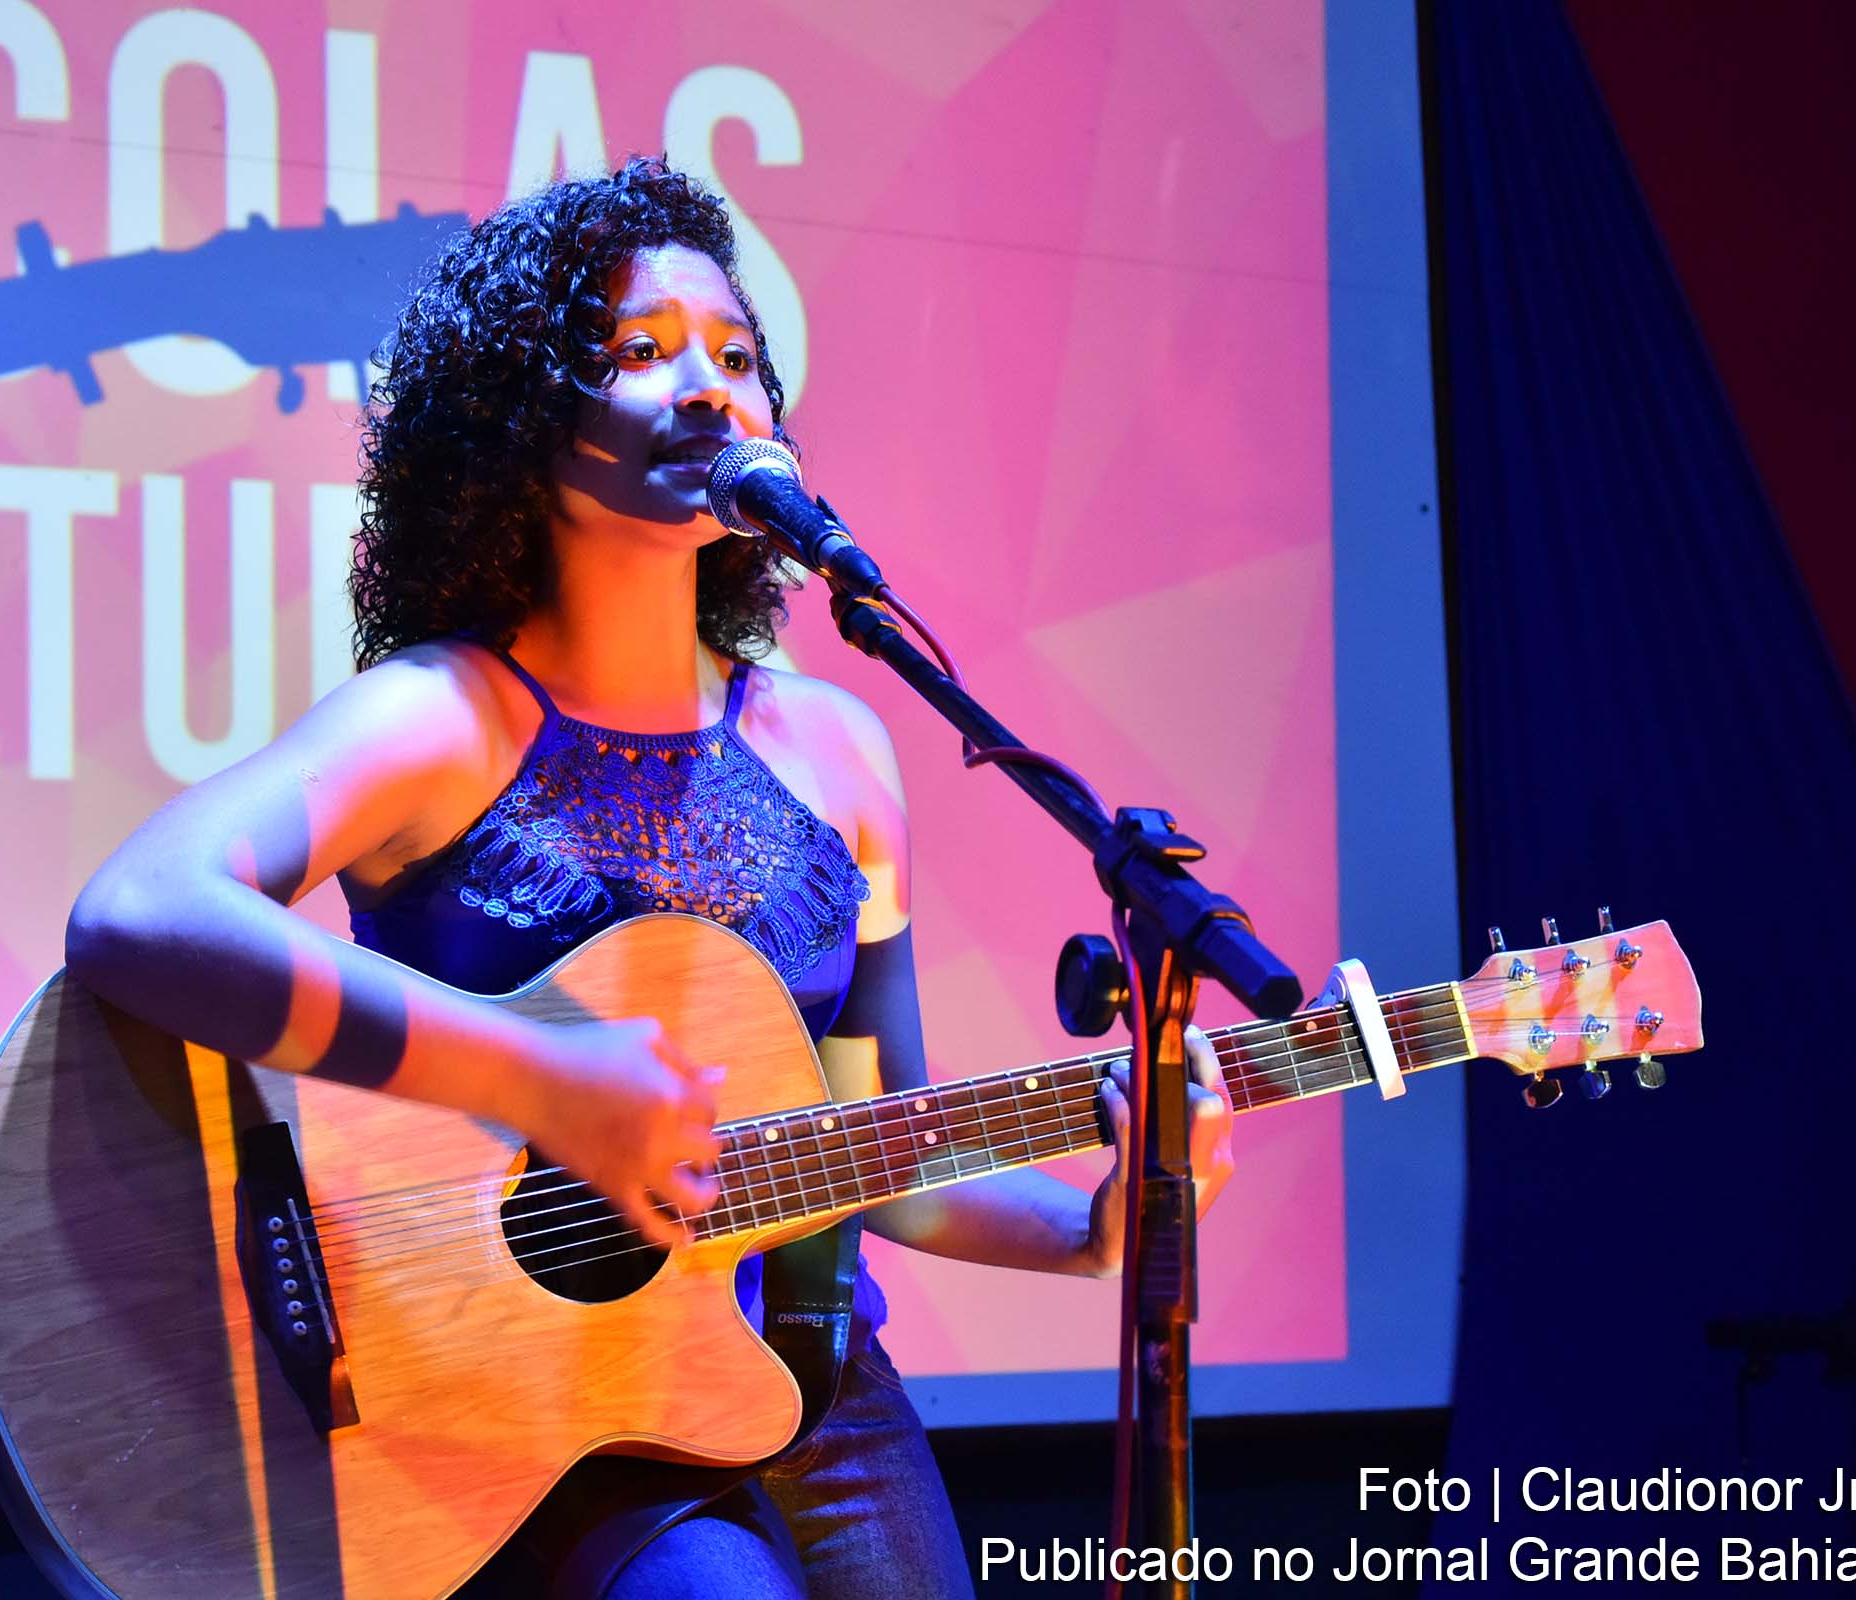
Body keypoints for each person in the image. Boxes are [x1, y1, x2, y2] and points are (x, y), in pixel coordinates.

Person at [64, 156, 1236, 1598]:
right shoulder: (446, 717)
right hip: (523, 1406)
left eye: (740, 360)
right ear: (521, 419)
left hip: (814, 1385)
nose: (709, 390)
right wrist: (540, 1079)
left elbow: (875, 1143)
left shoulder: (841, 755)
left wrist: (1090, 1228)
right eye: (641, 351)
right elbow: (139, 913)